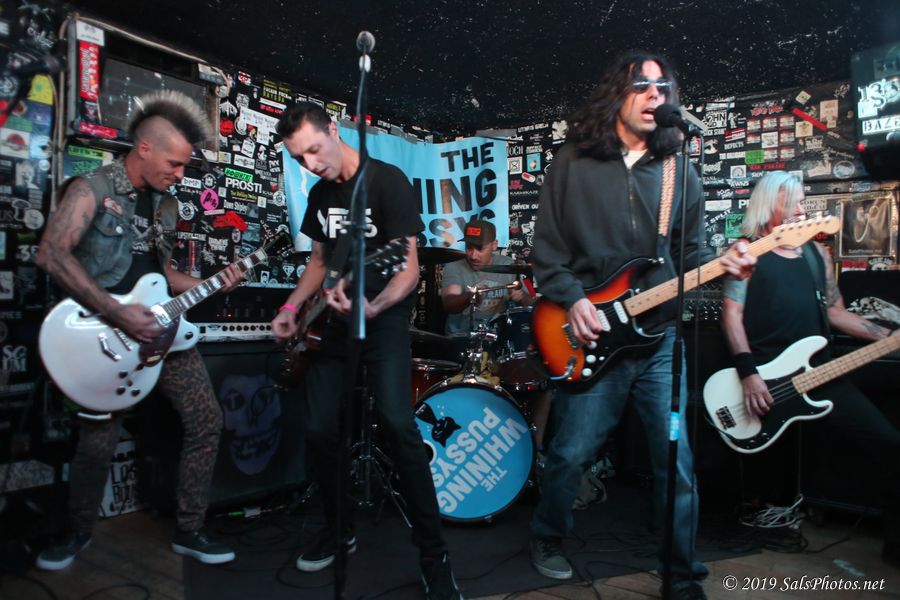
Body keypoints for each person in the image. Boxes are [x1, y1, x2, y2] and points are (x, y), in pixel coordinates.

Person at [529, 51, 755, 600]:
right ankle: (548, 536)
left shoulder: (680, 170)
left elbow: (693, 253)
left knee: (676, 459)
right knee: (571, 452)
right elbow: (548, 256)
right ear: (617, 95)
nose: (656, 95)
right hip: (590, 333)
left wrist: (726, 265)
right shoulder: (571, 164)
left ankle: (682, 572)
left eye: (663, 86)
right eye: (642, 85)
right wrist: (574, 301)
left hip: (660, 339)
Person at [34, 90, 243, 570]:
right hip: (104, 337)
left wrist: (215, 283)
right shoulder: (91, 188)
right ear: (144, 148)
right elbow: (50, 253)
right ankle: (77, 532)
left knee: (207, 421)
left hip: (163, 333)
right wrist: (116, 311)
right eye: (174, 163)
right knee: (97, 443)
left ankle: (190, 529)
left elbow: (161, 276)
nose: (180, 174)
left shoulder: (166, 206)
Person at [270, 102, 462, 600]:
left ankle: (434, 555)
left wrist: (374, 305)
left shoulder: (386, 183)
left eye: (315, 150)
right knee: (319, 429)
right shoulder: (320, 193)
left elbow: (409, 270)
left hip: (383, 320)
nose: (311, 163)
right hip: (330, 326)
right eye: (300, 158)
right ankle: (340, 529)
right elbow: (319, 261)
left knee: (398, 424)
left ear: (334, 130)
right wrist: (292, 306)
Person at [721, 170, 900, 567]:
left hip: (819, 372)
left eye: (804, 200)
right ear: (772, 203)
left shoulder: (818, 255)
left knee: (889, 443)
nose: (804, 208)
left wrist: (888, 335)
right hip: (769, 378)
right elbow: (731, 316)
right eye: (797, 201)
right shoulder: (747, 251)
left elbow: (835, 313)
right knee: (769, 464)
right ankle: (770, 508)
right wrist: (749, 374)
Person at [440, 217, 535, 337]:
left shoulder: (508, 264)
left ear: (494, 245)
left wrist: (521, 297)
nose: (473, 256)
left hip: (498, 337)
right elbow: (449, 304)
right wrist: (470, 297)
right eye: (469, 247)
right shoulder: (454, 267)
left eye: (480, 248)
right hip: (462, 337)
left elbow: (531, 304)